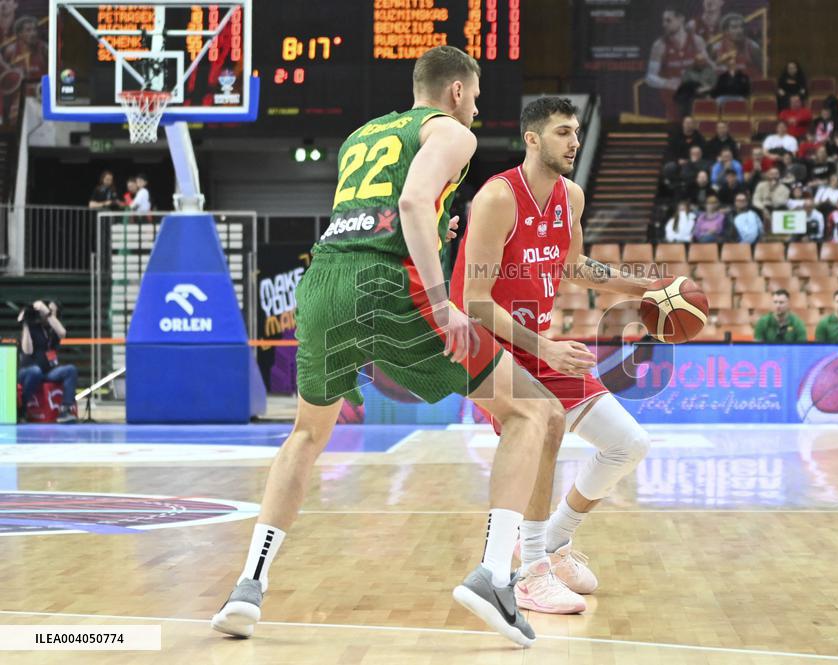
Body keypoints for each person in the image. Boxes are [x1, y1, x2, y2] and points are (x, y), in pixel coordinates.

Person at [211, 46, 557, 647]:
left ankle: (248, 586)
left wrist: (440, 224)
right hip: (388, 285)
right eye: (474, 96)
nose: (475, 108)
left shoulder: (361, 136)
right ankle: (495, 576)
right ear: (455, 92)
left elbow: (381, 209)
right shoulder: (452, 133)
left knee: (306, 435)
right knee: (531, 409)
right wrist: (441, 300)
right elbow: (409, 202)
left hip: (323, 281)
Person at [451, 96, 652, 614]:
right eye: (563, 132)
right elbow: (473, 301)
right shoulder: (498, 198)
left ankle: (554, 542)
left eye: (577, 132)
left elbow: (573, 266)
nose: (575, 141)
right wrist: (545, 347)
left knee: (628, 443)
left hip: (537, 344)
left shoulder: (572, 197)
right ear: (533, 139)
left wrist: (646, 288)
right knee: (546, 425)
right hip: (485, 342)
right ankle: (530, 571)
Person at [17, 300, 77, 423]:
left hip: (48, 371)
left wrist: (48, 314)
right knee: (35, 371)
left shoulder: (53, 330)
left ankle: (65, 410)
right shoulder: (33, 326)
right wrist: (26, 324)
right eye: (45, 310)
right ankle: (21, 408)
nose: (46, 313)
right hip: (28, 371)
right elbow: (27, 351)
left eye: (51, 311)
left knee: (70, 370)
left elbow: (62, 333)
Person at [646, 8, 709, 120]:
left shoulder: (697, 41)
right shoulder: (659, 46)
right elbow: (649, 78)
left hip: (695, 99)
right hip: (672, 101)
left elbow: (707, 70)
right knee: (675, 133)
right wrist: (668, 83)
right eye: (663, 21)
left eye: (668, 20)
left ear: (680, 19)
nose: (664, 24)